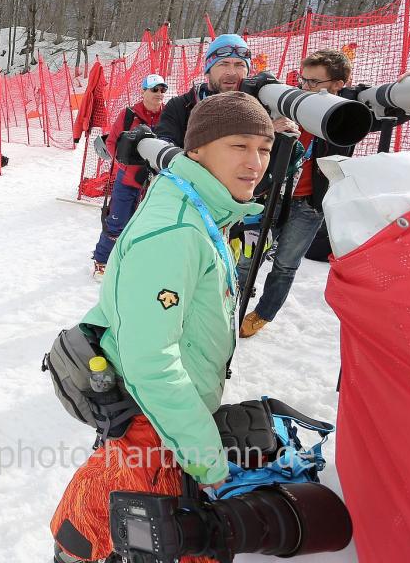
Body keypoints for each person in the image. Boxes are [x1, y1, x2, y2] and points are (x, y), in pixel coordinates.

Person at [51, 92, 275, 563]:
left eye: (265, 148)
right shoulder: (177, 231)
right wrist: (204, 454)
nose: (255, 162)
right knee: (117, 536)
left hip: (164, 423)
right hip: (155, 427)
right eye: (238, 146)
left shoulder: (198, 211)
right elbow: (149, 360)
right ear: (197, 150)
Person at [238, 51, 410, 337]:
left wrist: (408, 91)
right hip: (271, 195)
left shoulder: (349, 107)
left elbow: (388, 112)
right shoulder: (289, 101)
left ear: (339, 84)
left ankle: (263, 314)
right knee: (248, 257)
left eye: (314, 82)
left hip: (310, 205)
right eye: (303, 80)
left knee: (286, 264)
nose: (305, 88)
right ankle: (230, 305)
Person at [155, 34, 298, 147]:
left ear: (248, 72)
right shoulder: (180, 106)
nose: (231, 72)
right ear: (208, 71)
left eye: (239, 65)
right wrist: (260, 133)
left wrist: (282, 139)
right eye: (223, 64)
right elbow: (166, 153)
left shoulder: (261, 107)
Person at [91, 74, 167, 277]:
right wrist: (123, 164)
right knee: (116, 221)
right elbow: (111, 142)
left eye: (162, 90)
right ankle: (102, 259)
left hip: (154, 183)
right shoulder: (129, 114)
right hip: (127, 180)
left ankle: (130, 257)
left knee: (143, 223)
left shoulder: (168, 115)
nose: (159, 94)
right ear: (143, 92)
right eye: (154, 89)